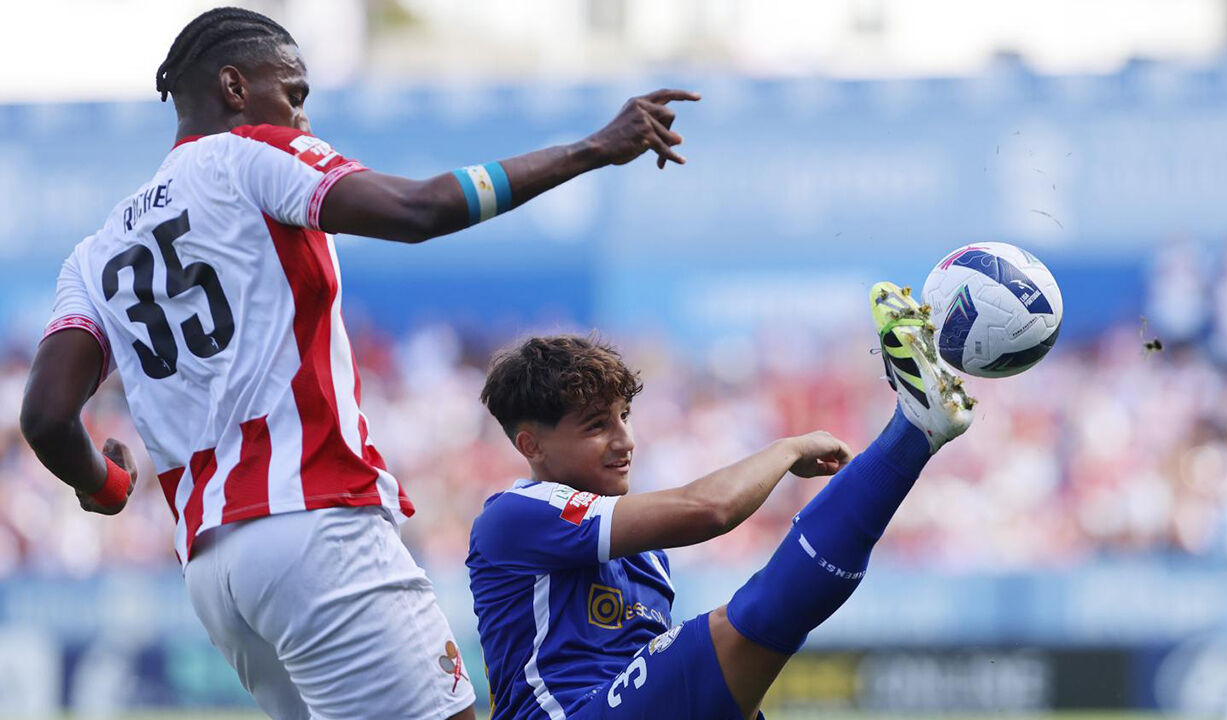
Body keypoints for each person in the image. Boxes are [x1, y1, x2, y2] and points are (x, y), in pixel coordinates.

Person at [18, 6, 696, 720]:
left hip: (212, 572)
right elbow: (420, 210)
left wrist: (104, 483)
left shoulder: (93, 254)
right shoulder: (251, 153)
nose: (303, 118)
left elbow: (46, 417)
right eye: (294, 93)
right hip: (314, 527)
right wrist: (593, 148)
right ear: (235, 87)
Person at [468, 283, 976, 720]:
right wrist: (788, 448)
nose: (625, 440)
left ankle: (914, 432)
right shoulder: (513, 517)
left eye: (624, 416)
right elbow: (709, 509)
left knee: (738, 649)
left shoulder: (644, 552)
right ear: (531, 445)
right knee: (738, 628)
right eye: (597, 426)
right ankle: (913, 432)